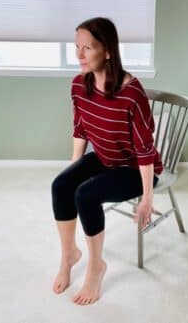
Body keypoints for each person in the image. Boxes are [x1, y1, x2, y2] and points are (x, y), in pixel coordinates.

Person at [51, 17, 164, 305]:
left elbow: (145, 148)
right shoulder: (79, 85)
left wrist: (147, 197)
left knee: (85, 194)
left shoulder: (132, 93)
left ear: (108, 51)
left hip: (135, 168)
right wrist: (73, 169)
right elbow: (80, 130)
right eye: (77, 47)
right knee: (61, 185)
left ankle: (95, 267)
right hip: (104, 157)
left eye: (87, 48)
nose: (79, 55)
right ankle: (69, 256)